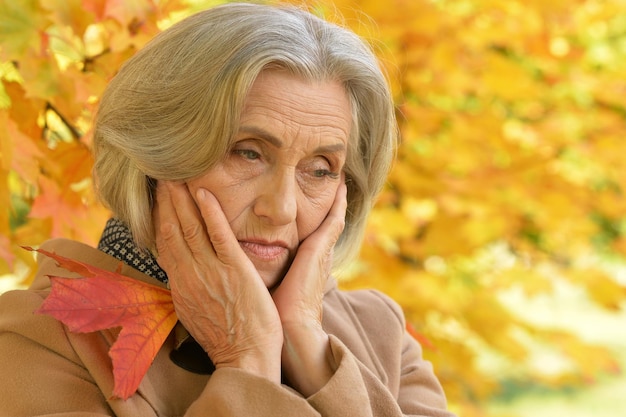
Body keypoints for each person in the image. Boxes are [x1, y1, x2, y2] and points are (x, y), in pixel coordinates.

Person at [0, 2, 457, 416]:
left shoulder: (380, 332)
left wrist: (311, 353)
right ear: (153, 159)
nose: (280, 208)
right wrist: (249, 359)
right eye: (247, 152)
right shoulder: (34, 340)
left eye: (319, 168)